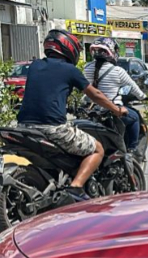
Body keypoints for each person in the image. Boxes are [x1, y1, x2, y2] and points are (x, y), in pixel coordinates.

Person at [17, 29, 125, 201]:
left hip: (24, 127)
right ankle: (76, 187)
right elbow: (95, 94)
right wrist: (116, 109)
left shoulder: (34, 66)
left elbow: (47, 92)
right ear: (68, 47)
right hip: (53, 128)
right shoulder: (70, 70)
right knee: (97, 149)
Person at [86, 37, 144, 151]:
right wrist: (143, 97)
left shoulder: (86, 68)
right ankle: (133, 150)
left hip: (90, 110)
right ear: (111, 51)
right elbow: (134, 88)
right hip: (113, 110)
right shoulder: (117, 71)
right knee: (135, 117)